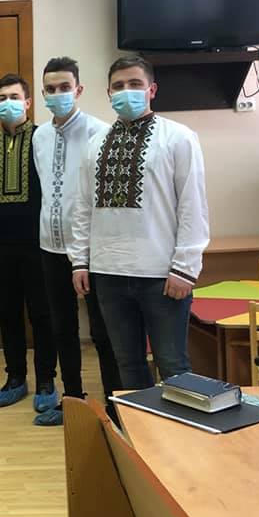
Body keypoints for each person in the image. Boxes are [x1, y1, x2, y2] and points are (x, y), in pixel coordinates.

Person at [69, 55, 209, 389]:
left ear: (152, 90)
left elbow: (192, 205)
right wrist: (79, 261)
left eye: (135, 84)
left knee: (173, 365)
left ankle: (176, 426)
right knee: (128, 364)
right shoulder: (95, 144)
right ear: (108, 93)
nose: (126, 91)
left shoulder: (178, 137)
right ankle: (138, 425)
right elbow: (83, 207)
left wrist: (185, 267)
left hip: (161, 274)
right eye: (118, 86)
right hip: (108, 273)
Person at [31, 57, 120, 426]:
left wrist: (86, 250)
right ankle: (72, 400)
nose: (57, 94)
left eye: (64, 88)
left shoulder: (101, 132)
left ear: (78, 90)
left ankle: (115, 406)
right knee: (62, 327)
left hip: (92, 250)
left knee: (102, 331)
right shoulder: (39, 136)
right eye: (50, 89)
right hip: (50, 247)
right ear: (43, 93)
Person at [0, 73, 58, 413]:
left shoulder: (44, 139)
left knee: (42, 314)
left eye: (14, 97)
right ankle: (16, 378)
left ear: (28, 102)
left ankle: (46, 380)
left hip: (39, 245)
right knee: (7, 313)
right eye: (1, 98)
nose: (8, 103)